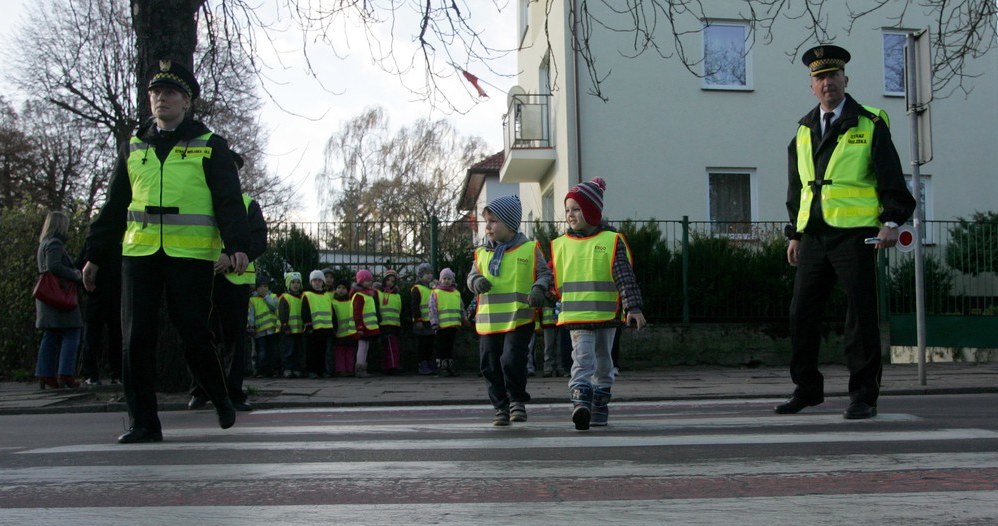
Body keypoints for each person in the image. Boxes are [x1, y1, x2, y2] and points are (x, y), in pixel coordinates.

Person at [82, 60, 251, 443]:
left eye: (171, 93)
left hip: (187, 255)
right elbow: (113, 207)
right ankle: (144, 422)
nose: (162, 99)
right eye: (156, 93)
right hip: (139, 254)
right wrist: (93, 254)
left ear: (186, 101)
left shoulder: (210, 145)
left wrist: (237, 244)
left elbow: (228, 200)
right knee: (135, 338)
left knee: (194, 332)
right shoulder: (134, 146)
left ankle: (220, 395)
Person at [779, 44, 916, 420]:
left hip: (855, 234)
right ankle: (806, 389)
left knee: (860, 315)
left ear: (845, 80)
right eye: (820, 78)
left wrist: (891, 221)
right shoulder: (804, 129)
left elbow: (891, 178)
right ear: (812, 85)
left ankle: (863, 396)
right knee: (801, 312)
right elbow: (798, 186)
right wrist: (794, 233)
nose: (827, 84)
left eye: (833, 76)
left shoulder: (869, 122)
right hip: (814, 235)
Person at [550, 178, 646, 430]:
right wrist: (540, 289)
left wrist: (633, 307)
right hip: (577, 316)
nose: (570, 215)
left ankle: (600, 404)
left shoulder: (611, 241)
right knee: (582, 358)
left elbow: (624, 276)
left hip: (606, 316)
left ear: (591, 210)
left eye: (576, 209)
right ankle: (581, 402)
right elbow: (551, 275)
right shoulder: (561, 244)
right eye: (568, 209)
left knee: (604, 361)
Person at [467, 195, 552, 426]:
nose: (488, 227)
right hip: (488, 322)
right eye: (487, 222)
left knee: (511, 360)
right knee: (489, 364)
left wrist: (538, 289)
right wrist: (475, 282)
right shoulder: (482, 253)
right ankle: (500, 407)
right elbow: (471, 276)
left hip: (519, 319)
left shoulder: (529, 249)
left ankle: (516, 401)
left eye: (493, 221)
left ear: (510, 224)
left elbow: (545, 274)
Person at [189, 188, 267, 411]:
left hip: (236, 280)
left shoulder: (247, 204)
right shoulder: (196, 199)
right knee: (199, 336)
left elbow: (259, 240)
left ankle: (233, 394)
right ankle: (201, 390)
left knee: (234, 339)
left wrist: (230, 257)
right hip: (202, 278)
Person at [35, 211, 84, 389]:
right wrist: (76, 274)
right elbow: (54, 266)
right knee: (72, 333)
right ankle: (65, 373)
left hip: (47, 296)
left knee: (50, 335)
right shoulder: (55, 243)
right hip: (60, 296)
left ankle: (45, 374)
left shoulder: (43, 244)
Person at [76, 238, 121, 386]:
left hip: (97, 294)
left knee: (93, 336)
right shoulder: (118, 243)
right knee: (113, 335)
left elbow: (79, 266)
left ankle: (92, 374)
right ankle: (115, 373)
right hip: (111, 294)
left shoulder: (92, 244)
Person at [430, 268, 467, 377]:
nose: (446, 280)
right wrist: (434, 322)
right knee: (441, 347)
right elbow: (432, 308)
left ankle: (449, 367)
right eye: (444, 278)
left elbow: (461, 307)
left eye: (449, 278)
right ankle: (442, 368)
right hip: (441, 326)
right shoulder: (436, 292)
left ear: (452, 280)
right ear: (440, 280)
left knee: (450, 347)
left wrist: (463, 318)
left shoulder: (456, 293)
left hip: (453, 325)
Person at [301, 269, 334, 378]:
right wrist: (308, 324)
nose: (317, 282)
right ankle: (312, 371)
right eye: (314, 280)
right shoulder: (307, 294)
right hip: (313, 329)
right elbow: (305, 310)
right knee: (312, 351)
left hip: (326, 328)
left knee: (323, 351)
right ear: (311, 282)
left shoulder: (326, 295)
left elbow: (331, 310)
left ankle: (322, 370)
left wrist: (334, 323)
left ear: (323, 282)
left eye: (319, 280)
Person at [248, 275, 280, 377]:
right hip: (260, 331)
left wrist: (266, 297)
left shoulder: (273, 297)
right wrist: (251, 326)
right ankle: (261, 370)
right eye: (261, 287)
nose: (263, 289)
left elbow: (274, 307)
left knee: (273, 350)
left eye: (265, 286)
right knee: (262, 352)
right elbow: (251, 314)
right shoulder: (253, 300)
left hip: (272, 329)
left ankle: (273, 370)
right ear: (256, 288)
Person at [351, 269, 381, 378]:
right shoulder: (359, 295)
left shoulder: (369, 294)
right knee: (362, 347)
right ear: (360, 281)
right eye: (366, 281)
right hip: (363, 326)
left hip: (369, 326)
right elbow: (357, 312)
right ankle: (360, 368)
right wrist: (359, 327)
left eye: (370, 280)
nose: (369, 283)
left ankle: (362, 367)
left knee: (365, 347)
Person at [278, 272, 306, 378]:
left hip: (299, 330)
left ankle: (296, 368)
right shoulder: (285, 297)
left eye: (298, 282)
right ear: (288, 284)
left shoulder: (302, 297)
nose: (296, 285)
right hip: (289, 330)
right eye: (293, 282)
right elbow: (283, 312)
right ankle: (287, 368)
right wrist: (285, 325)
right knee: (288, 350)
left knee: (298, 351)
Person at [411, 262, 437, 375]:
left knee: (430, 344)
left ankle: (429, 362)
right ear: (420, 275)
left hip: (430, 321)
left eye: (430, 273)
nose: (429, 276)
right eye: (426, 274)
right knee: (422, 344)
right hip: (422, 322)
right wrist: (418, 319)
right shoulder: (417, 288)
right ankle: (422, 364)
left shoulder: (433, 288)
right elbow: (415, 306)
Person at [329, 279, 358, 376]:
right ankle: (341, 370)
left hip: (350, 331)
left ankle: (350, 369)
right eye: (339, 288)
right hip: (338, 332)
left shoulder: (351, 301)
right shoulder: (332, 302)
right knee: (339, 352)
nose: (341, 290)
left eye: (344, 288)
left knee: (350, 351)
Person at [378, 269, 403, 374]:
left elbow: (400, 309)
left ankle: (390, 365)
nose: (390, 283)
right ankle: (392, 366)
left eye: (393, 281)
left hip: (395, 324)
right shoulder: (378, 293)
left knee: (393, 346)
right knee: (390, 346)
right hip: (384, 324)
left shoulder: (397, 295)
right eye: (388, 280)